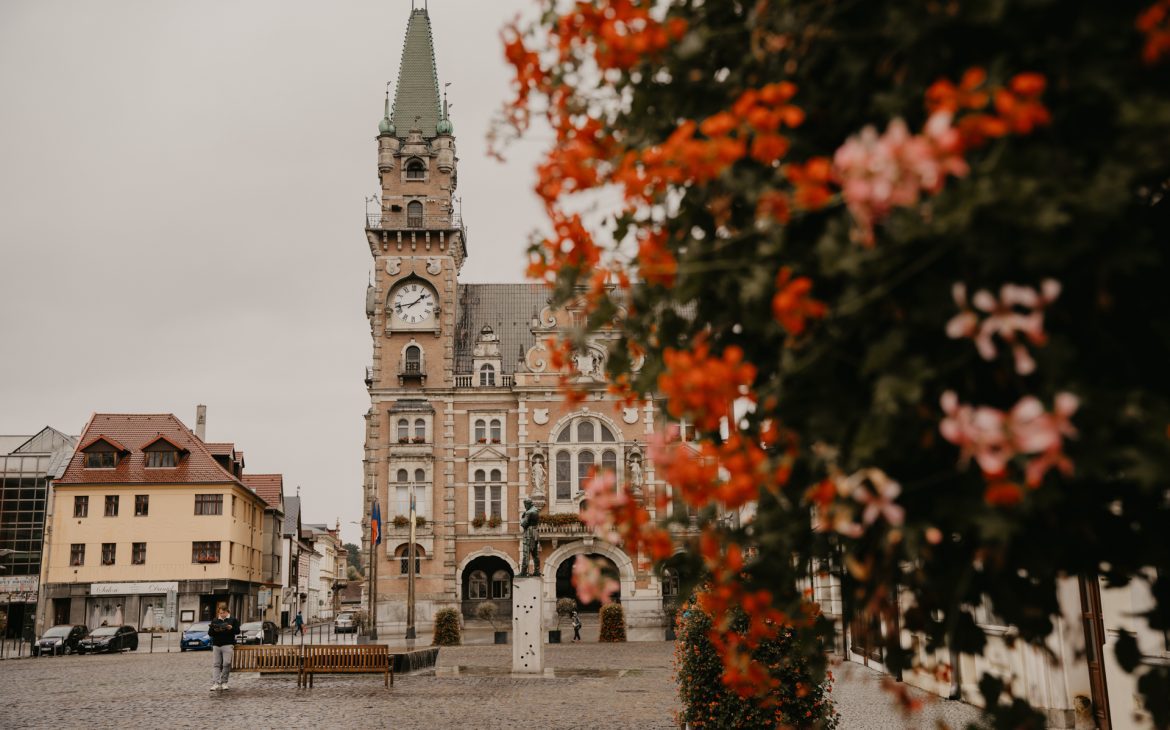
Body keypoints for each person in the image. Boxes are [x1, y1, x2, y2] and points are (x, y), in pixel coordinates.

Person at [207, 605, 240, 691]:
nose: (222, 615)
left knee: (227, 663)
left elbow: (237, 631)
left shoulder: (233, 620)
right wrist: (214, 630)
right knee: (216, 664)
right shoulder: (215, 620)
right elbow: (210, 633)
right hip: (216, 645)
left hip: (228, 644)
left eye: (223, 613)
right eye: (220, 613)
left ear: (227, 612)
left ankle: (224, 682)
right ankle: (216, 683)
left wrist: (231, 628)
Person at [519, 497, 541, 577]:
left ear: (527, 504)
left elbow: (523, 524)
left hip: (529, 533)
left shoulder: (528, 512)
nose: (525, 506)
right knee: (535, 554)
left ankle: (524, 572)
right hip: (535, 533)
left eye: (525, 504)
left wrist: (522, 517)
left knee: (526, 553)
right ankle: (537, 571)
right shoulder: (536, 510)